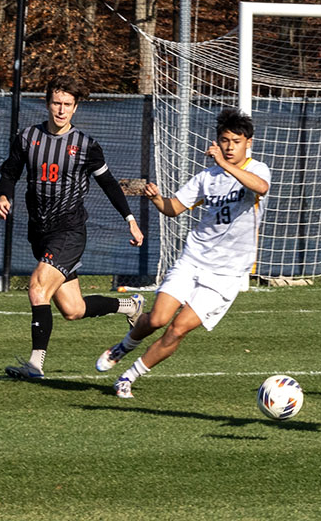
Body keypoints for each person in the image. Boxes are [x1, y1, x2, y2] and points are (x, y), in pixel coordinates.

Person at [95, 108, 270, 399]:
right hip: (193, 259)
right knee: (157, 319)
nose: (228, 147)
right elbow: (173, 208)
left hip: (226, 273)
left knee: (177, 329)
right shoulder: (207, 177)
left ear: (248, 143)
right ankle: (122, 346)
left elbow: (260, 187)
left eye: (235, 141)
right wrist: (156, 199)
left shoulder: (257, 170)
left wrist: (226, 167)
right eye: (224, 140)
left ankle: (128, 376)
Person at [0, 76, 145, 380]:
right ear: (47, 102)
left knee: (38, 288)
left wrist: (129, 219)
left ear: (75, 108)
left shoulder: (86, 146)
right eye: (56, 103)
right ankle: (130, 305)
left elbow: (109, 184)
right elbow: (9, 173)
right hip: (39, 230)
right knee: (73, 309)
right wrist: (4, 194)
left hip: (69, 230)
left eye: (67, 105)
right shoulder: (26, 138)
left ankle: (34, 365)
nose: (61, 110)